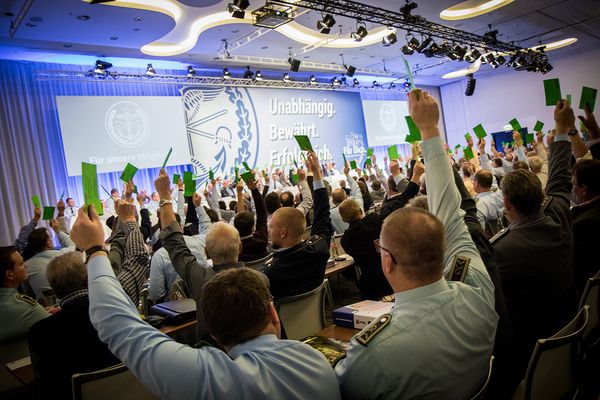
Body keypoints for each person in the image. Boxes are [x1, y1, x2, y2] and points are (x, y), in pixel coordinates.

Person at [69, 204, 340, 399]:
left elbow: (120, 328)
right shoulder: (317, 363)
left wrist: (94, 250)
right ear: (272, 311)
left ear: (212, 330)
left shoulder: (208, 379)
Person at [335, 89, 497, 399]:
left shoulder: (373, 353)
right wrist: (429, 129)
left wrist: (428, 131)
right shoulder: (477, 288)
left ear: (388, 262)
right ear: (443, 250)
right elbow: (450, 212)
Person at [492, 100, 578, 374]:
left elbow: (560, 179)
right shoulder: (559, 215)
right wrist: (563, 128)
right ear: (541, 196)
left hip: (529, 351)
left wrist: (562, 128)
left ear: (506, 204)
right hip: (568, 329)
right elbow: (560, 178)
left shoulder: (501, 251)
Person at [27, 251, 120, 399]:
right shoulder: (118, 313)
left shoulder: (39, 333)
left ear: (54, 291)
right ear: (88, 279)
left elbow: (45, 388)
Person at [338, 162, 423, 300]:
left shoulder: (345, 240)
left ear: (344, 220)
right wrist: (415, 177)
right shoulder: (374, 221)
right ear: (360, 211)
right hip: (391, 277)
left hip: (369, 286)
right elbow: (402, 200)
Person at [264, 151, 332, 300]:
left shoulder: (270, 274)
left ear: (283, 232)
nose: (268, 231)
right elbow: (323, 215)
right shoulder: (319, 249)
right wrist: (316, 173)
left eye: (271, 227)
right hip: (319, 321)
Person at [0, 246, 49, 341]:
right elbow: (54, 327)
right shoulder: (27, 308)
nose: (26, 265)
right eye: (21, 263)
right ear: (10, 274)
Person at [23, 217, 76, 302]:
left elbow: (28, 292)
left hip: (44, 308)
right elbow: (72, 244)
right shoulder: (63, 255)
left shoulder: (26, 266)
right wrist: (57, 230)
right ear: (48, 243)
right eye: (50, 238)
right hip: (69, 301)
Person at [571, 159, 600, 293]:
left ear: (584, 189)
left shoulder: (585, 225)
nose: (572, 183)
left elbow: (580, 271)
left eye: (574, 181)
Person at [473, 169, 505, 237]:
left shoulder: (479, 206)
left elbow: (481, 234)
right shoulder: (499, 192)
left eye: (474, 181)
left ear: (477, 183)